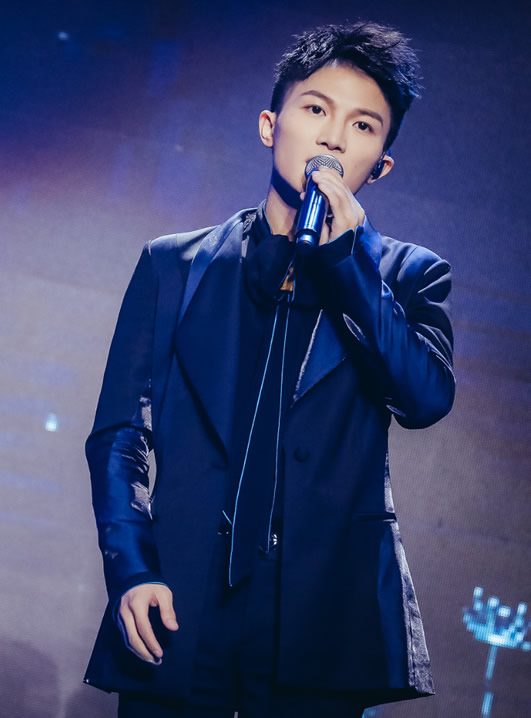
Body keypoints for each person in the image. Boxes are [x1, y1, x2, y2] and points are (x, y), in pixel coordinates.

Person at [83, 21, 455, 718]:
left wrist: (348, 266)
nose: (333, 138)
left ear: (380, 165)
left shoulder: (407, 276)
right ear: (269, 125)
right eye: (315, 109)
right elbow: (120, 435)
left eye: (362, 125)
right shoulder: (174, 264)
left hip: (317, 618)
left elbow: (424, 398)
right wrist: (131, 568)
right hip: (181, 601)